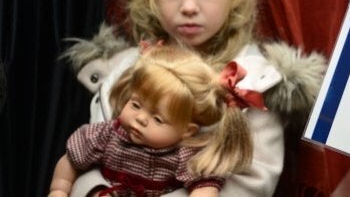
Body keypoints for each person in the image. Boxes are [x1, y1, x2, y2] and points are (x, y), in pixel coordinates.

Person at [59, 0, 326, 197]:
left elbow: (251, 184)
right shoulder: (126, 70)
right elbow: (88, 156)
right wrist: (95, 190)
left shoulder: (252, 84)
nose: (188, 6)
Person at [49, 44, 256, 196]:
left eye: (157, 119)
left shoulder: (183, 156)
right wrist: (59, 189)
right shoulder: (106, 134)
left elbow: (204, 186)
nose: (140, 119)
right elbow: (72, 158)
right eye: (136, 105)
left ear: (187, 131)